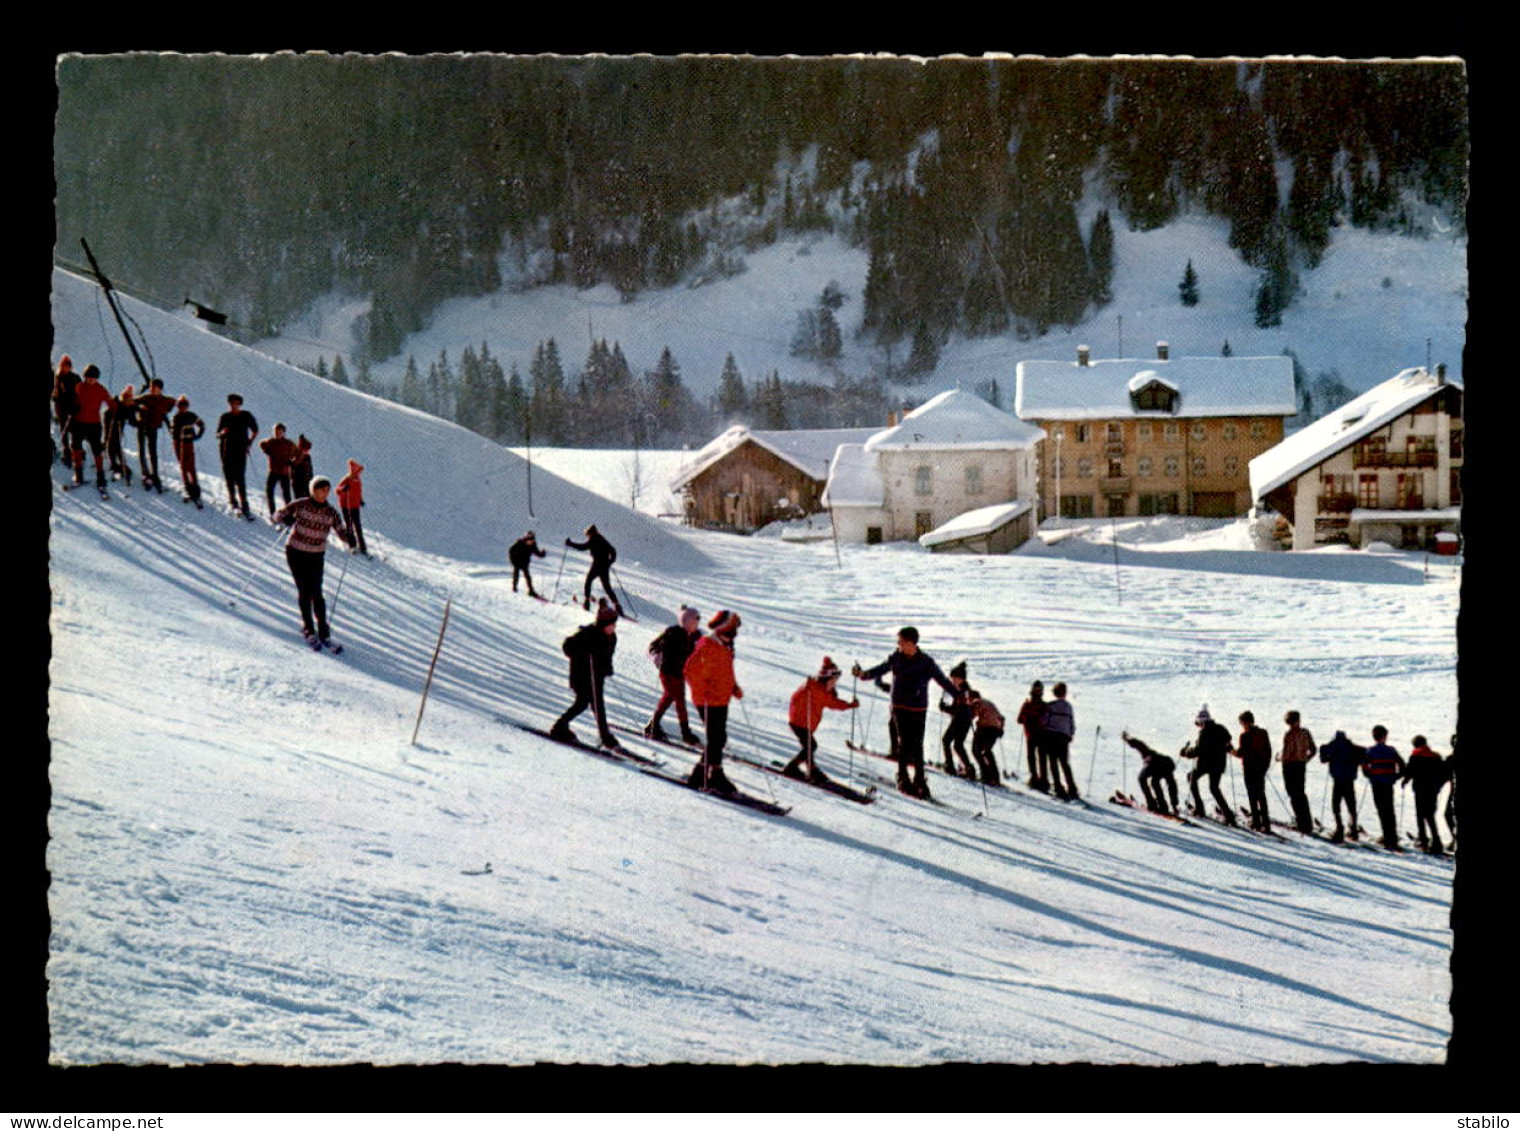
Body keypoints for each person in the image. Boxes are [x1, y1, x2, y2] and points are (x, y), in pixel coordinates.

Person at [852, 627, 959, 800]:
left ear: (910, 643)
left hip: (919, 707)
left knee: (918, 745)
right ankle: (903, 777)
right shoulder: (896, 658)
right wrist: (863, 674)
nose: (898, 645)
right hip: (900, 706)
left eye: (900, 642)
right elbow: (880, 669)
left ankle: (920, 780)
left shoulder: (926, 662)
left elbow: (942, 680)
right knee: (905, 742)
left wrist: (959, 696)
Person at [272, 475, 355, 647]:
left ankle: (324, 632)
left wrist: (350, 538)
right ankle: (309, 628)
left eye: (327, 490)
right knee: (304, 589)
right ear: (313, 490)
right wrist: (284, 518)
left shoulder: (330, 512)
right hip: (296, 552)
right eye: (321, 489)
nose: (324, 493)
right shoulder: (301, 504)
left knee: (317, 592)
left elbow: (341, 531)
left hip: (316, 555)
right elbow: (278, 515)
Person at [684, 609, 744, 794]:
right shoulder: (707, 646)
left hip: (721, 698)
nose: (731, 637)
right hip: (707, 700)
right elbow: (690, 671)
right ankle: (702, 775)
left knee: (719, 738)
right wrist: (705, 692)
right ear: (720, 631)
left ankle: (714, 774)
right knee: (715, 739)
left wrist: (733, 686)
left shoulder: (725, 647)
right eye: (728, 633)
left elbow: (725, 672)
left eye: (733, 634)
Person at [550, 599, 621, 750]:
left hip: (596, 677)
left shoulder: (611, 638)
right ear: (603, 624)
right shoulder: (588, 633)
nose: (614, 627)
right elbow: (568, 646)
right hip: (580, 675)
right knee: (582, 703)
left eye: (615, 624)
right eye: (611, 624)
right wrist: (584, 652)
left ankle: (605, 736)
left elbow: (607, 656)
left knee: (598, 706)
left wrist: (607, 668)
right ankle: (559, 727)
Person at [783, 656, 859, 783]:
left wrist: (850, 704)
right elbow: (833, 703)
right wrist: (849, 705)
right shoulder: (816, 689)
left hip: (805, 724)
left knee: (809, 747)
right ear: (826, 678)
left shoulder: (820, 689)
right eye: (834, 680)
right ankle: (793, 768)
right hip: (799, 723)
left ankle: (811, 769)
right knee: (811, 746)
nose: (835, 683)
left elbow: (832, 701)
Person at [644, 605, 702, 745]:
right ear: (686, 621)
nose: (697, 623)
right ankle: (685, 733)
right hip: (668, 672)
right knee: (679, 701)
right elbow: (653, 646)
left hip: (679, 673)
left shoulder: (694, 637)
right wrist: (657, 656)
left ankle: (653, 725)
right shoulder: (672, 633)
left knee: (669, 698)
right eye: (695, 620)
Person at [1182, 705, 1236, 824]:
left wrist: (1185, 752)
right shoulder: (1221, 728)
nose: (1198, 725)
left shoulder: (1204, 733)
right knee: (1214, 788)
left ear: (1201, 721)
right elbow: (1228, 740)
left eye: (1198, 723)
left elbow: (1198, 750)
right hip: (1219, 764)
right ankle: (1229, 815)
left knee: (1191, 777)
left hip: (1205, 764)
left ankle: (1200, 808)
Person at [66, 364, 114, 489]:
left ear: (97, 378)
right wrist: (72, 408)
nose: (91, 380)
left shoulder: (101, 389)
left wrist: (116, 407)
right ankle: (78, 474)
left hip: (94, 424)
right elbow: (72, 401)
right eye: (88, 377)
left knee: (97, 450)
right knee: (76, 447)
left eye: (93, 378)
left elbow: (110, 403)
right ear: (85, 377)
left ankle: (100, 476)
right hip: (79, 422)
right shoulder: (79, 387)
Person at [1402, 735, 1451, 854]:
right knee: (1430, 815)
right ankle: (1435, 840)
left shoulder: (1415, 756)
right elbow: (1444, 773)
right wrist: (1438, 786)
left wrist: (1405, 781)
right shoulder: (1436, 756)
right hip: (1432, 791)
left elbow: (1409, 771)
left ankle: (1423, 840)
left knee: (1420, 814)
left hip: (1420, 790)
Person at [1363, 725, 1407, 850]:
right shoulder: (1391, 750)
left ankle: (1387, 838)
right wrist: (1396, 777)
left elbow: (1365, 766)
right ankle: (1391, 837)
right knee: (1389, 810)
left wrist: (1369, 775)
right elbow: (1402, 765)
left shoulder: (1371, 750)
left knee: (1382, 810)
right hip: (1388, 783)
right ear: (1385, 736)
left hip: (1377, 783)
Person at [216, 393, 260, 518]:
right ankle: (233, 502)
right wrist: (222, 432)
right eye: (231, 403)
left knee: (240, 477)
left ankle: (244, 504)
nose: (234, 405)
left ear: (240, 404)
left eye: (236, 403)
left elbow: (255, 430)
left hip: (240, 450)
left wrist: (249, 443)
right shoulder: (225, 417)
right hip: (226, 450)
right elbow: (217, 434)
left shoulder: (246, 415)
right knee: (229, 476)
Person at [1318, 730, 1366, 842]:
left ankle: (1339, 828)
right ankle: (1353, 830)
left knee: (1336, 805)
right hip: (1349, 780)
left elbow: (1323, 757)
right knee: (1351, 805)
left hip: (1338, 780)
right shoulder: (1352, 747)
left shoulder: (1333, 746)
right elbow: (1364, 753)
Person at [1120, 731, 1181, 815]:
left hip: (1161, 765)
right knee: (1154, 782)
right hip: (1162, 763)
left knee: (1148, 780)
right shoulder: (1159, 760)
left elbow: (1172, 786)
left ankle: (1155, 805)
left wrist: (1174, 805)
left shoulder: (1163, 767)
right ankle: (1160, 806)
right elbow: (1139, 745)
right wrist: (1127, 739)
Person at [133, 378, 176, 492]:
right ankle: (145, 474)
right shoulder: (145, 398)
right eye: (151, 387)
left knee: (153, 451)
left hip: (153, 427)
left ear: (160, 389)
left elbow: (172, 402)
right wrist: (139, 408)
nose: (151, 389)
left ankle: (155, 475)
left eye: (154, 388)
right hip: (142, 426)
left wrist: (166, 412)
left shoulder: (164, 400)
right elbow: (132, 402)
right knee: (141, 450)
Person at [1278, 710, 1317, 834]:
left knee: (1293, 794)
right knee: (1301, 793)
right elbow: (1313, 749)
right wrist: (1305, 759)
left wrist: (1278, 758)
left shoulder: (1289, 734)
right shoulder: (1305, 732)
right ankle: (1307, 823)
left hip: (1289, 766)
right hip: (1301, 765)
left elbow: (1286, 753)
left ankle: (1301, 824)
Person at [566, 524, 619, 612]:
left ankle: (587, 602)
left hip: (597, 565)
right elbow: (613, 550)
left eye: (588, 534)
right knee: (607, 586)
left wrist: (570, 544)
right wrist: (610, 561)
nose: (588, 536)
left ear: (591, 533)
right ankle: (617, 605)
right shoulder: (602, 539)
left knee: (588, 581)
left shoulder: (593, 540)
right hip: (605, 566)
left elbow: (582, 547)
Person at [1041, 682, 1081, 800]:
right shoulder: (1068, 706)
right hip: (1064, 737)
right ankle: (1072, 788)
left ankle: (1058, 787)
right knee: (1064, 763)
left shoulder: (1050, 706)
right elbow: (1071, 724)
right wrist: (1070, 734)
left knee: (1053, 762)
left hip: (1051, 736)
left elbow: (1044, 721)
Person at [1235, 710, 1273, 831]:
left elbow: (1241, 753)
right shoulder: (1263, 733)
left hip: (1249, 768)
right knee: (1261, 795)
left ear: (1245, 722)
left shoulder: (1244, 736)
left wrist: (1230, 750)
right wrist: (1265, 767)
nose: (1241, 725)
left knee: (1252, 795)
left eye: (1241, 722)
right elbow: (1268, 751)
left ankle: (1256, 822)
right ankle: (1266, 823)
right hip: (1261, 768)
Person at [939, 661, 977, 778]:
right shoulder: (966, 689)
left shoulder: (962, 691)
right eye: (952, 678)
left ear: (961, 678)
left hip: (960, 720)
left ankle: (950, 765)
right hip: (966, 721)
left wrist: (944, 708)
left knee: (946, 740)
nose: (953, 681)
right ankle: (969, 768)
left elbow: (958, 709)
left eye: (955, 678)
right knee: (958, 744)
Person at [169, 395, 206, 507]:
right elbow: (172, 431)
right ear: (178, 406)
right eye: (180, 405)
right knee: (183, 466)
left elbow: (202, 425)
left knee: (191, 467)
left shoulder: (192, 415)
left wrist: (198, 435)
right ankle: (187, 487)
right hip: (179, 444)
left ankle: (195, 489)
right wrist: (176, 435)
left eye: (185, 405)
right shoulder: (176, 417)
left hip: (189, 444)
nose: (183, 408)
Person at [258, 423, 299, 517]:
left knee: (286, 495)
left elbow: (298, 453)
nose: (277, 433)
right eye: (276, 432)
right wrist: (267, 451)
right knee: (269, 491)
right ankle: (273, 513)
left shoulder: (288, 444)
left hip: (284, 472)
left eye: (279, 432)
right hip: (273, 471)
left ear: (284, 432)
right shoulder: (271, 442)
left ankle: (289, 515)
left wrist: (292, 462)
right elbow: (261, 443)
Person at [966, 689, 1004, 786]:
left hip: (985, 728)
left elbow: (971, 714)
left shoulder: (976, 702)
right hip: (995, 729)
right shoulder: (988, 702)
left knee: (976, 750)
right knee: (987, 751)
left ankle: (986, 774)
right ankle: (995, 776)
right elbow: (1001, 717)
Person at [1016, 681, 1049, 791]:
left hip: (1030, 734)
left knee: (1031, 757)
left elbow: (1019, 720)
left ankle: (1034, 779)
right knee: (1042, 758)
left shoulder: (1027, 705)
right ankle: (1044, 781)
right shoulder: (1044, 705)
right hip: (1043, 734)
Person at [104, 384, 136, 484]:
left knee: (117, 443)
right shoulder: (117, 402)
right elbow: (108, 412)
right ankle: (114, 464)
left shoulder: (131, 407)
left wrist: (140, 423)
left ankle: (121, 465)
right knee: (110, 442)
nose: (127, 401)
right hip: (111, 420)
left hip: (119, 424)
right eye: (126, 398)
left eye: (129, 399)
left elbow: (132, 420)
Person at [52, 356, 80, 466]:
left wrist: (76, 405)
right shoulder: (58, 378)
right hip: (62, 408)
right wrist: (57, 399)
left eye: (68, 366)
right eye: (64, 366)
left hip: (73, 407)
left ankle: (77, 452)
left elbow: (80, 393)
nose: (66, 368)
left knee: (74, 430)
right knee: (64, 429)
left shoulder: (75, 378)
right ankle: (66, 452)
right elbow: (55, 395)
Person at [336, 458, 367, 555]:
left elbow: (359, 492)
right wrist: (343, 489)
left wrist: (361, 500)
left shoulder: (358, 481)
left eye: (359, 472)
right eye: (356, 471)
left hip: (355, 506)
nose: (358, 474)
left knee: (358, 525)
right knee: (349, 525)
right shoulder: (346, 479)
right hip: (346, 506)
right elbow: (337, 490)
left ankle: (362, 546)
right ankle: (352, 545)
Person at [508, 531, 547, 597]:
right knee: (516, 575)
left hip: (524, 563)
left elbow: (537, 553)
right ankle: (514, 588)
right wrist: (513, 560)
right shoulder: (520, 543)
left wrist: (542, 554)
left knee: (527, 577)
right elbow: (511, 550)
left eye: (532, 540)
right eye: (530, 540)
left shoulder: (532, 545)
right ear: (526, 538)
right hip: (517, 562)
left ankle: (531, 590)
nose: (531, 542)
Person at [290, 434, 315, 500]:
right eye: (306, 450)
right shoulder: (296, 457)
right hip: (298, 483)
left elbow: (310, 469)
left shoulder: (307, 457)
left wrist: (311, 480)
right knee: (299, 499)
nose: (307, 451)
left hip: (307, 482)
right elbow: (292, 468)